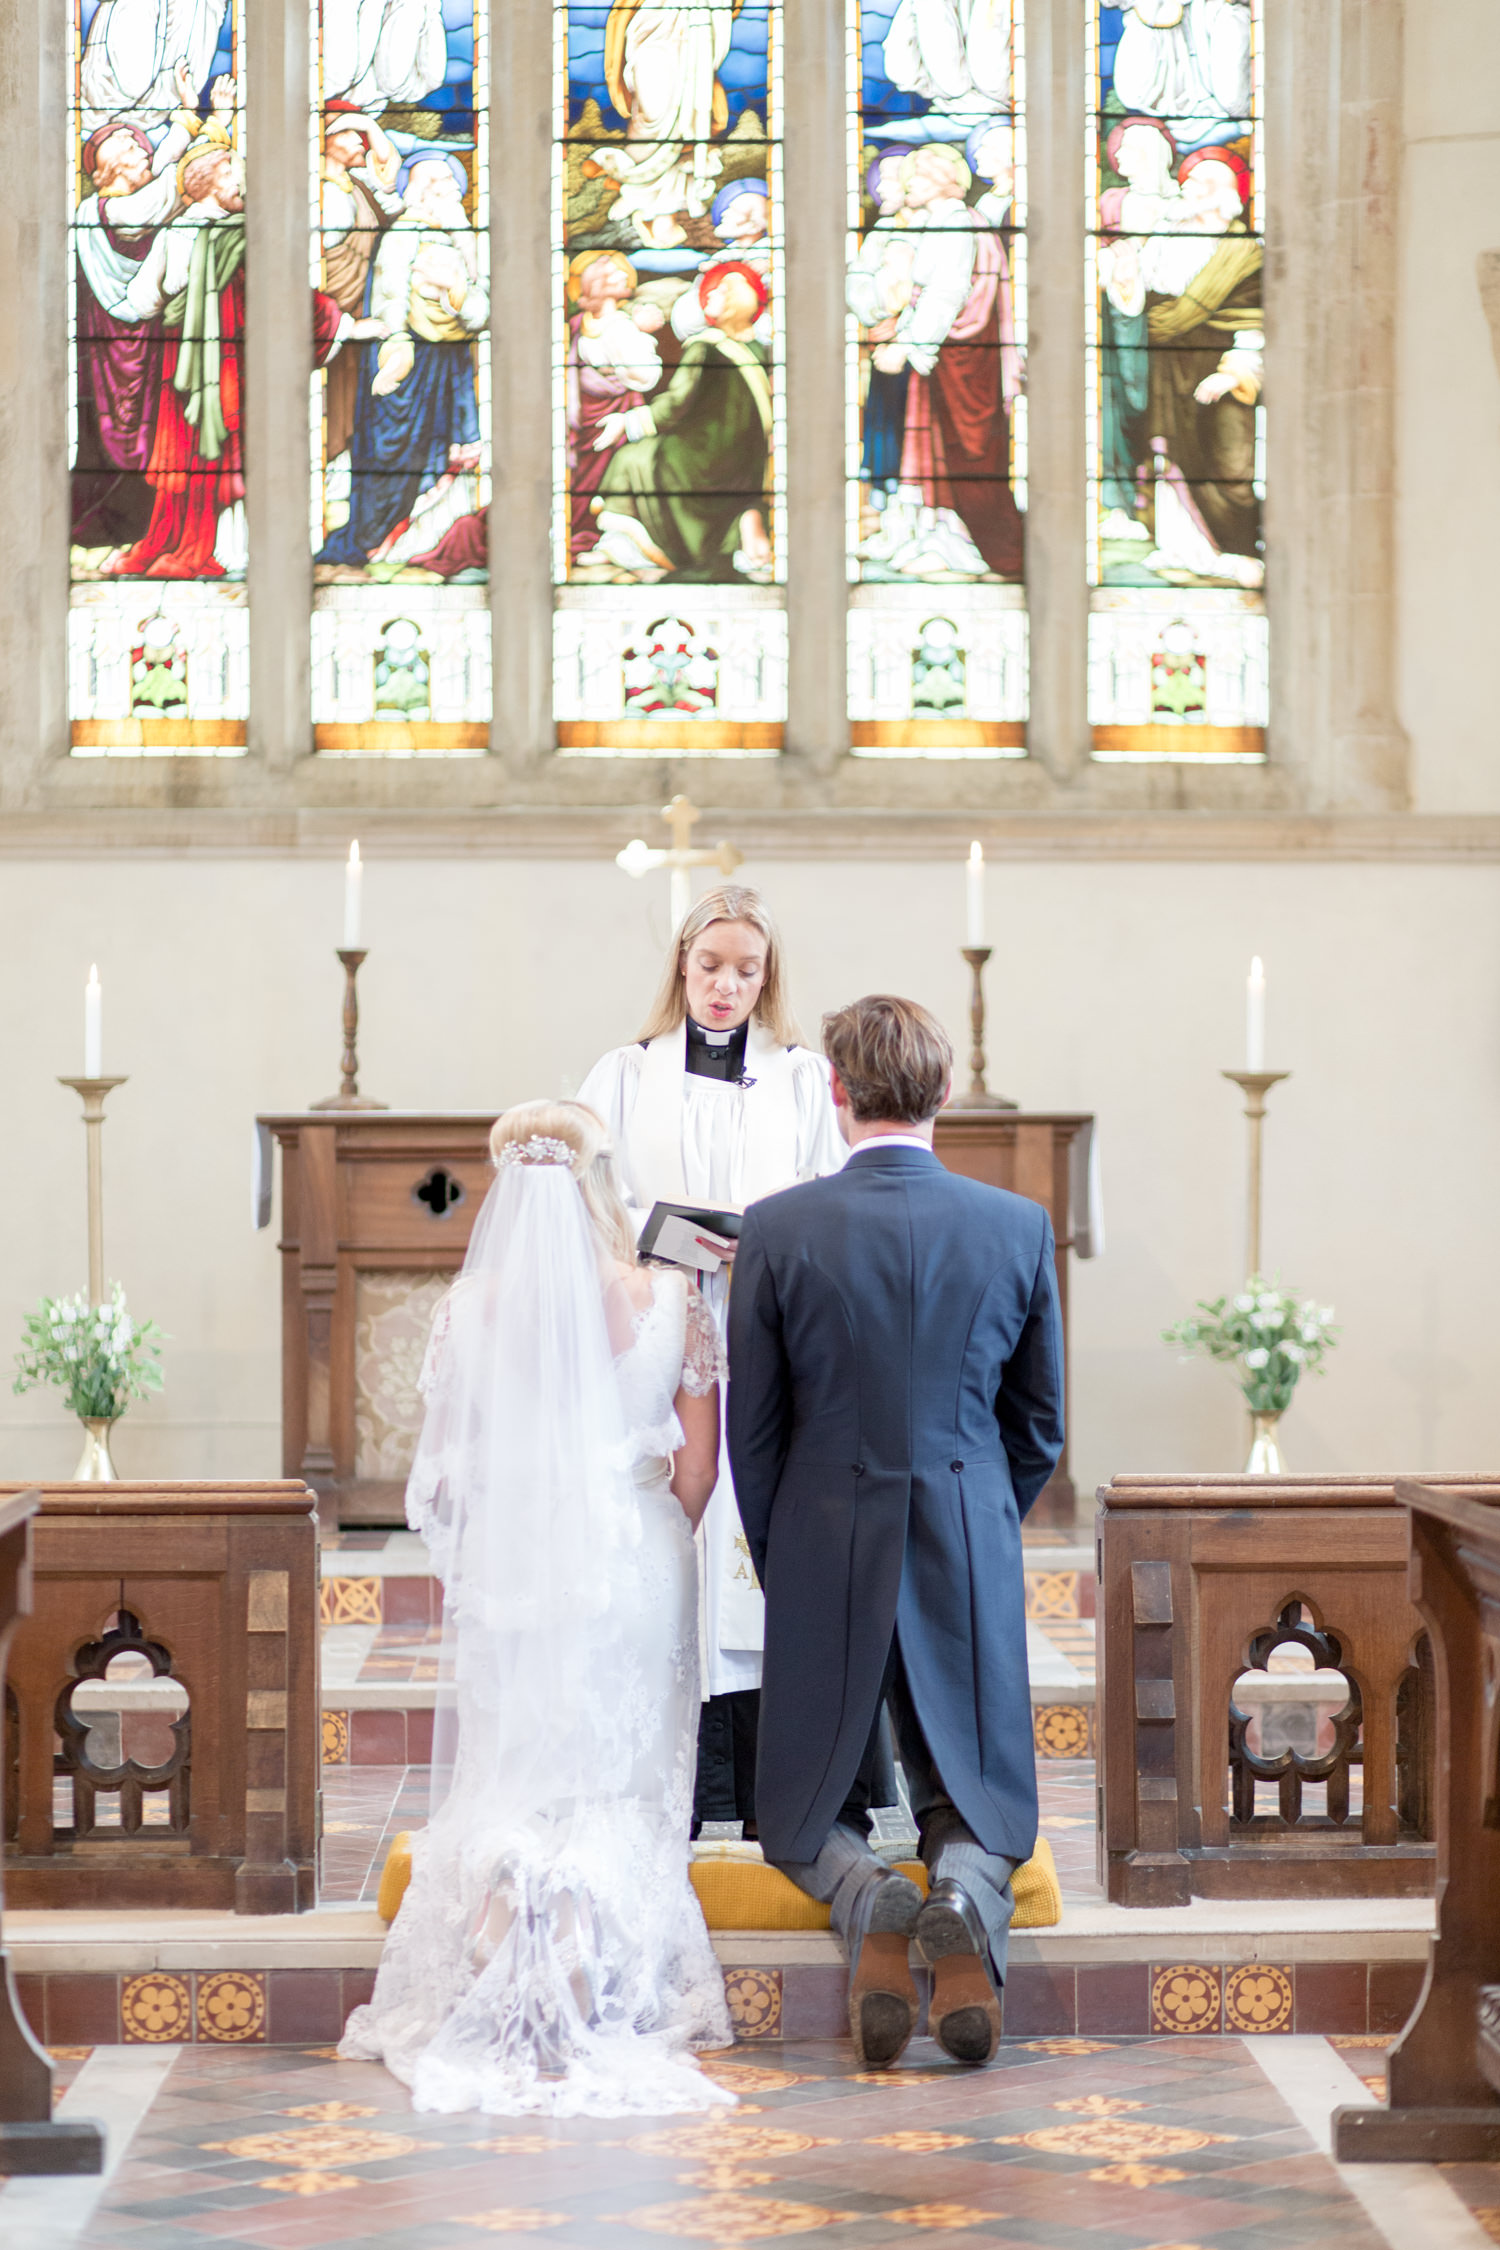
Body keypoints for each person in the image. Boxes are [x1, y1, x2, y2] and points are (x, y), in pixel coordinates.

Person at [341, 1100, 734, 2115]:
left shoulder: (469, 1307)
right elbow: (697, 1471)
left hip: (518, 1568)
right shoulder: (672, 1296)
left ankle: (505, 1911)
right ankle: (577, 1935)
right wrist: (647, 1537)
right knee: (619, 1784)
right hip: (636, 1563)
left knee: (519, 1773)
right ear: (604, 1185)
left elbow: (448, 1476)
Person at [728, 995, 1064, 2069]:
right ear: (947, 1094)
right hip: (965, 1517)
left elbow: (756, 1430)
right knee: (978, 1782)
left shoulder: (777, 1226)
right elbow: (1042, 1423)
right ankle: (962, 1890)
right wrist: (978, 1521)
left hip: (823, 1521)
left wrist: (789, 1552)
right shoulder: (1016, 1226)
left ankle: (869, 1892)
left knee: (795, 1799)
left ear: (835, 1094)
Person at [578, 889, 845, 1839]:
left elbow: (826, 1194)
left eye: (746, 972)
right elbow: (588, 1197)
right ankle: (670, 1773)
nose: (726, 987)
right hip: (664, 1325)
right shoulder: (623, 1074)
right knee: (673, 1513)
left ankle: (752, 1774)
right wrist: (663, 1250)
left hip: (766, 1326)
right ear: (682, 969)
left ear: (768, 981)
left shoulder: (803, 1078)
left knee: (749, 1522)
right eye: (710, 967)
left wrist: (766, 1246)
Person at [317, 152, 488, 574]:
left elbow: (484, 307)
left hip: (451, 365)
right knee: (388, 449)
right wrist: (396, 346)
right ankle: (373, 537)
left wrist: (457, 288)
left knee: (440, 449)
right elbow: (389, 293)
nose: (440, 189)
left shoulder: (466, 239)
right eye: (430, 181)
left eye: (447, 181)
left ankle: (423, 540)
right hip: (401, 361)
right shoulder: (402, 234)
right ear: (413, 190)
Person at [589, 261, 773, 582]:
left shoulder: (705, 348)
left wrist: (629, 423)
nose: (710, 296)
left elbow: (676, 404)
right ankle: (741, 529)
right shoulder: (757, 348)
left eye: (719, 291)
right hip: (744, 460)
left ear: (735, 300)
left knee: (632, 458)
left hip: (704, 456)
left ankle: (637, 549)